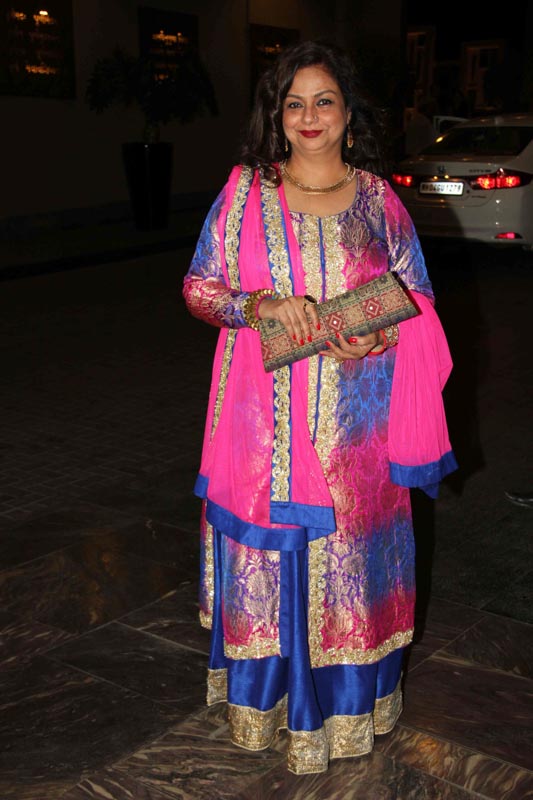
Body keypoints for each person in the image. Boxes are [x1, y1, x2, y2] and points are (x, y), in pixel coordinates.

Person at [182, 40, 457, 775]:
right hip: (263, 426)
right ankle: (268, 704)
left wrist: (377, 334)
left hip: (358, 428)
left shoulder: (378, 200)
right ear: (276, 116)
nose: (309, 116)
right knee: (274, 560)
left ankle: (346, 709)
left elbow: (417, 294)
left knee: (349, 562)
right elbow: (200, 287)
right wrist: (261, 306)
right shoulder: (245, 192)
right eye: (293, 103)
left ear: (347, 114)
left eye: (323, 101)